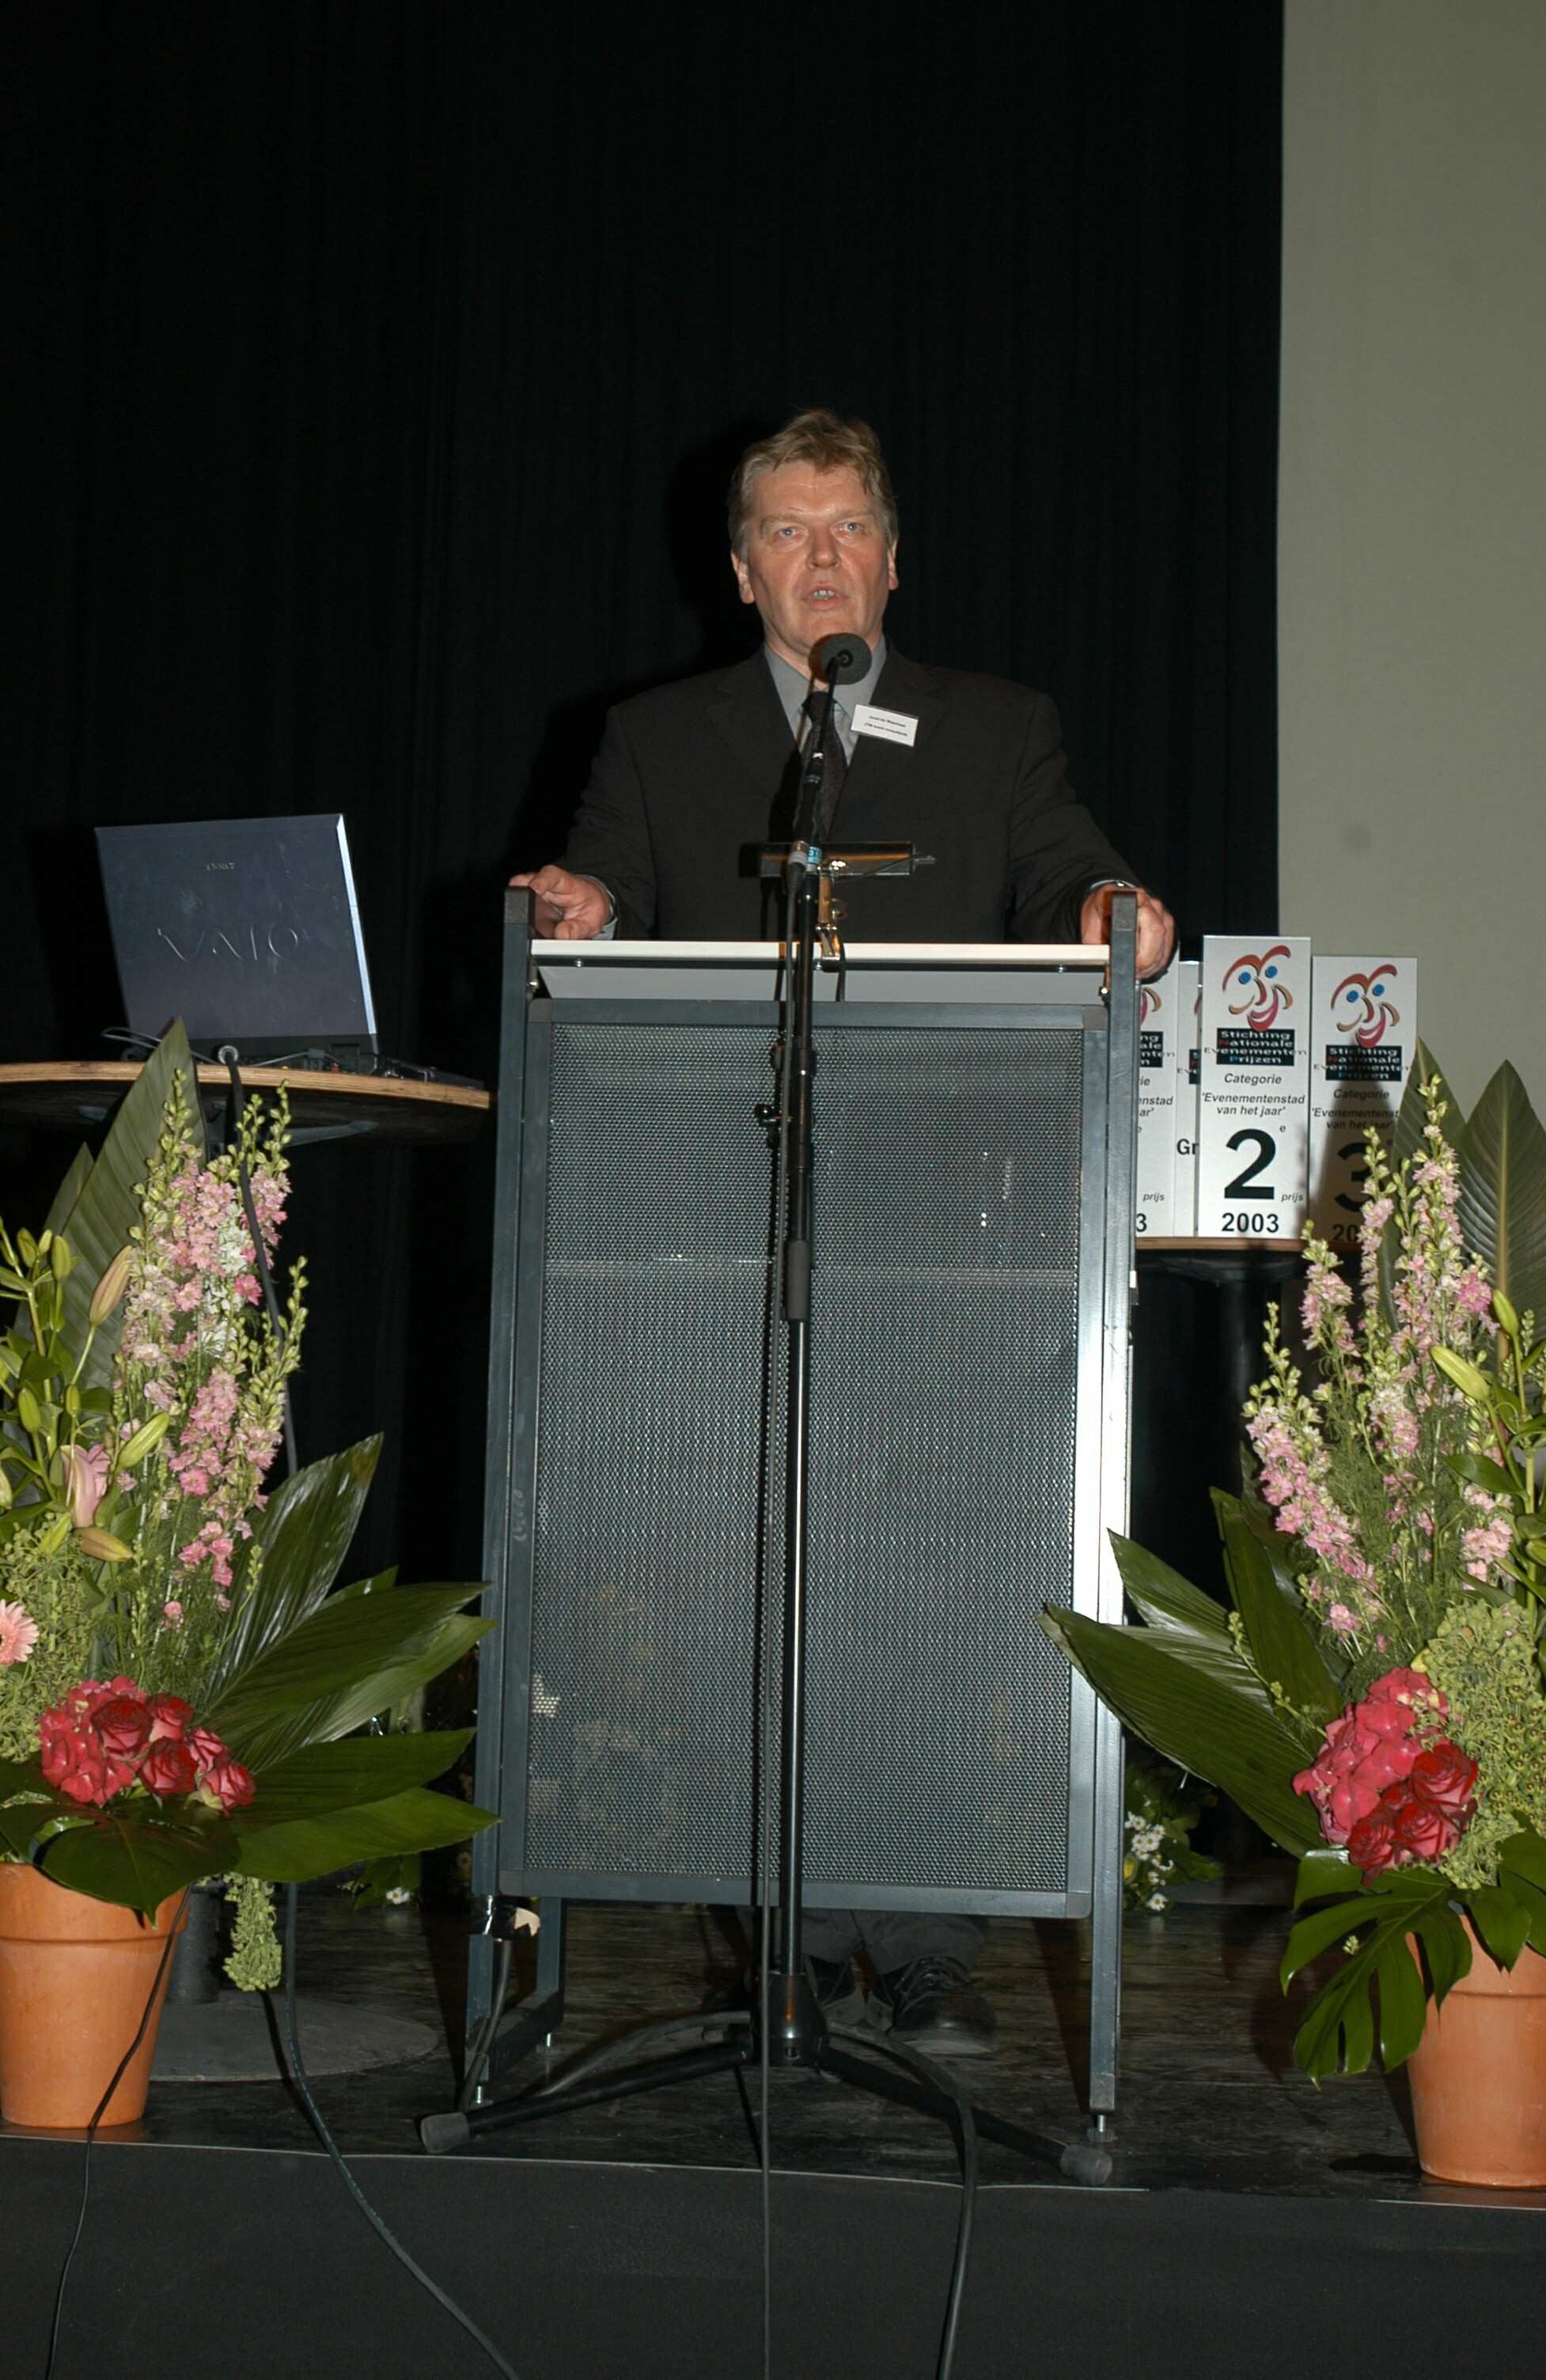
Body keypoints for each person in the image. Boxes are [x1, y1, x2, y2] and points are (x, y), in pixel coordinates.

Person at [513, 411, 1173, 2055]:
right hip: (714, 1232)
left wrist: (1117, 916)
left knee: (928, 1586)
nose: (821, 558)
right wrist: (581, 909)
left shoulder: (996, 728)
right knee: (737, 1582)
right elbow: (600, 895)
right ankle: (782, 1942)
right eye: (787, 533)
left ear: (892, 558)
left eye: (848, 528)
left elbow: (1076, 885)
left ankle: (930, 1937)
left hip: (943, 1239)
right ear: (741, 573)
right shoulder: (657, 738)